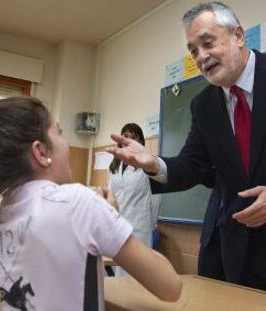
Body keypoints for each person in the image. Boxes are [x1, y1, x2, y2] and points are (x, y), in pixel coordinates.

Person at [0, 96, 182, 310]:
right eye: (59, 133)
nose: (68, 143)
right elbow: (170, 286)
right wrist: (108, 215)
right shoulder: (80, 203)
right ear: (40, 152)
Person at [106, 1, 266, 290]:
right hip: (234, 250)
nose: (201, 57)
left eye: (208, 43)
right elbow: (194, 165)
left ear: (238, 36)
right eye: (193, 50)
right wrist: (153, 163)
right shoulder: (203, 104)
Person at [108, 123, 160, 276]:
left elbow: (156, 197)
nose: (127, 140)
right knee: (120, 273)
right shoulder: (114, 167)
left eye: (133, 137)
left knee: (139, 274)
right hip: (119, 226)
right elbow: (112, 195)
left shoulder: (146, 164)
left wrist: (150, 224)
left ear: (140, 141)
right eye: (125, 136)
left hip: (141, 226)